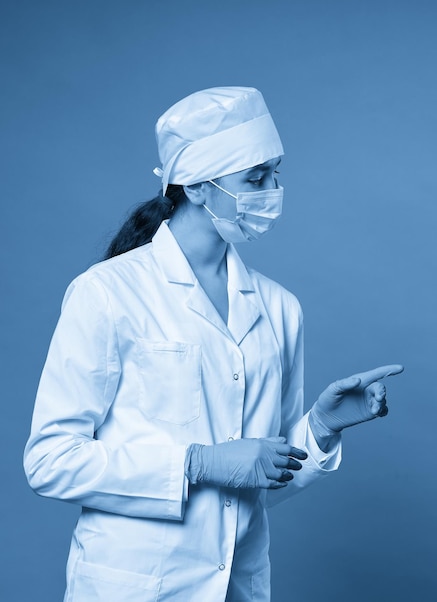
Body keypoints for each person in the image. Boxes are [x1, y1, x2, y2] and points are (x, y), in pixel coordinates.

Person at [23, 86, 403, 602]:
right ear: (198, 187)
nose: (273, 190)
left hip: (236, 587)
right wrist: (197, 463)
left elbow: (260, 482)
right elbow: (50, 460)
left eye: (276, 174)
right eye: (256, 178)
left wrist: (319, 428)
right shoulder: (107, 292)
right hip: (130, 587)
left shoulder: (279, 308)